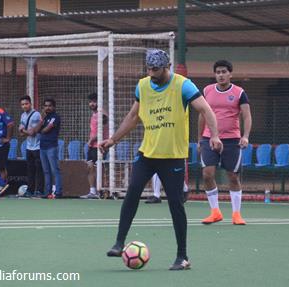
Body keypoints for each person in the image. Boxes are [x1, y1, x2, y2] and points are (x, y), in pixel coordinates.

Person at [101, 49, 222, 270]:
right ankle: (119, 242)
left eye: (155, 69)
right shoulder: (143, 86)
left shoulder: (183, 85)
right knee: (133, 191)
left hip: (172, 157)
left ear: (166, 67)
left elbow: (206, 110)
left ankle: (182, 257)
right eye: (148, 68)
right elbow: (133, 116)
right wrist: (113, 139)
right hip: (147, 154)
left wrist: (214, 135)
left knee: (176, 204)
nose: (151, 72)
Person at [199, 60, 252, 225]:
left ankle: (236, 214)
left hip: (232, 140)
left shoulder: (239, 92)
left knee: (233, 176)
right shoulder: (207, 91)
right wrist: (200, 139)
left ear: (230, 74)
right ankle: (215, 212)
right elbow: (202, 114)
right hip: (209, 138)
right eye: (218, 72)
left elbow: (247, 116)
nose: (220, 75)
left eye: (224, 72)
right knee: (207, 174)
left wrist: (245, 136)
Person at [80, 93, 109, 199]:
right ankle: (92, 192)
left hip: (100, 146)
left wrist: (91, 140)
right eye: (90, 102)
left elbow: (103, 130)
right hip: (92, 146)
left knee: (98, 168)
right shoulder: (93, 115)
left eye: (94, 101)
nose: (92, 104)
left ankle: (101, 191)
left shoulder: (103, 114)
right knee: (90, 167)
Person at [36, 98, 63, 199]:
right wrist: (42, 120)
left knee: (54, 170)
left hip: (51, 147)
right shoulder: (44, 118)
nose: (47, 108)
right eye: (45, 106)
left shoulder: (55, 117)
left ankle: (58, 192)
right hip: (42, 147)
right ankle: (47, 192)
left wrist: (41, 128)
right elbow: (37, 130)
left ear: (54, 107)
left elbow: (45, 130)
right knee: (46, 171)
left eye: (49, 106)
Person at [18, 96, 44, 198]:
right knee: (30, 170)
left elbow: (32, 132)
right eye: (22, 104)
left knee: (39, 170)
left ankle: (40, 190)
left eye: (26, 104)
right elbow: (21, 133)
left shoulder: (36, 115)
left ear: (30, 104)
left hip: (37, 147)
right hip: (29, 147)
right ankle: (30, 190)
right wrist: (24, 131)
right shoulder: (23, 115)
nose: (24, 106)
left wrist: (24, 131)